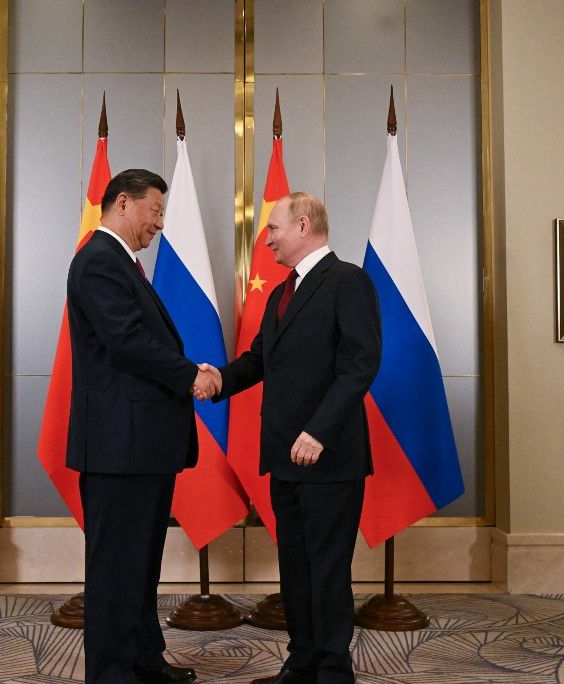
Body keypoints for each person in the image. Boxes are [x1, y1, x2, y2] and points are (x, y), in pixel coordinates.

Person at [198, 192, 381, 684]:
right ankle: (301, 662)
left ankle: (333, 671)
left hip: (329, 458)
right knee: (296, 569)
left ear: (303, 226)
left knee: (326, 569)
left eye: (274, 228)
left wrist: (318, 432)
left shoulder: (348, 282)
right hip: (283, 456)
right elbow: (260, 360)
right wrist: (218, 380)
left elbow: (359, 365)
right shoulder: (283, 292)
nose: (268, 239)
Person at [66, 168, 217, 684]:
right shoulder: (98, 262)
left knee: (139, 566)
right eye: (154, 211)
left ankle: (142, 663)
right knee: (115, 570)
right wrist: (190, 375)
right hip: (117, 448)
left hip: (139, 447)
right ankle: (112, 673)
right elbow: (127, 341)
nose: (158, 224)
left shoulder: (120, 263)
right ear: (123, 203)